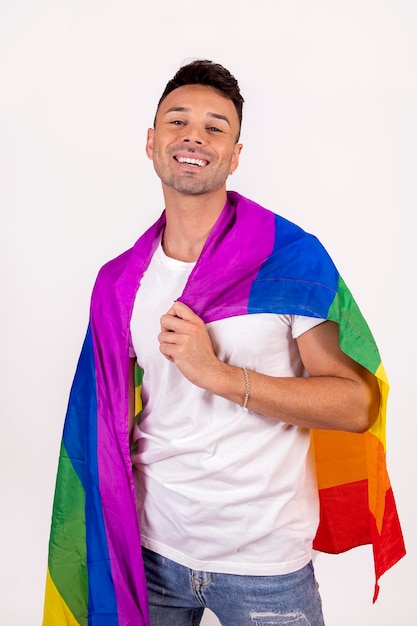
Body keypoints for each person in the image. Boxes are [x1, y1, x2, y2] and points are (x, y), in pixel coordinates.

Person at [43, 60, 405, 626]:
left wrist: (218, 375)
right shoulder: (119, 282)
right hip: (148, 551)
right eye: (177, 120)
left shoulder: (288, 257)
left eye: (216, 127)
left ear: (235, 155)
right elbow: (100, 422)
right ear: (152, 141)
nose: (194, 135)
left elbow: (357, 405)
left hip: (266, 564)